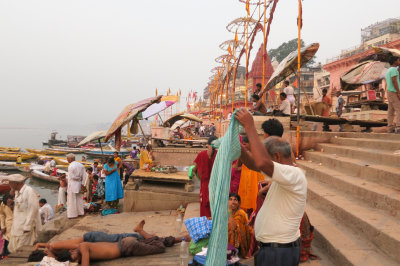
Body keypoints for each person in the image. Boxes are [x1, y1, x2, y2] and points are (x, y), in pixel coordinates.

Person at [235, 109, 307, 266]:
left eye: (267, 157)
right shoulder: (284, 176)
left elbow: (260, 163)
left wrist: (250, 127)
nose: (264, 162)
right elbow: (255, 163)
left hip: (280, 253)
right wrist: (238, 147)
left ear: (276, 157)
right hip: (272, 250)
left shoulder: (294, 174)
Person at [30, 220, 187, 265]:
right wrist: (40, 246)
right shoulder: (73, 250)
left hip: (106, 241)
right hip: (118, 243)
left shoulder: (78, 248)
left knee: (155, 244)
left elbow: (78, 249)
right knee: (153, 241)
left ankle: (141, 231)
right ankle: (182, 238)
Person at [7, 174, 41, 253]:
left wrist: (28, 226)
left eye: (10, 183)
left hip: (25, 228)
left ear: (16, 183)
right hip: (16, 228)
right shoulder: (17, 193)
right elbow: (20, 208)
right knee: (13, 249)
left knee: (22, 250)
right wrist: (12, 204)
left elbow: (33, 209)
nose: (9, 185)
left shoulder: (29, 191)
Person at [192, 136, 218, 218]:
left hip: (205, 187)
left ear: (208, 145)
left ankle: (205, 228)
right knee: (215, 210)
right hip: (216, 187)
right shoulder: (219, 155)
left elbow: (194, 169)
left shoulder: (201, 155)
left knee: (205, 211)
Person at [238, 136, 264, 212]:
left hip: (255, 180)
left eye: (245, 144)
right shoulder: (246, 154)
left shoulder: (258, 154)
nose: (244, 146)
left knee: (255, 201)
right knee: (247, 204)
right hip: (246, 182)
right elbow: (238, 166)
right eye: (243, 145)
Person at [228, 193, 253, 258]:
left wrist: (229, 210)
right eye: (230, 199)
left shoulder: (241, 213)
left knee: (232, 230)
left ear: (239, 203)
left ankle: (232, 251)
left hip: (240, 243)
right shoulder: (227, 211)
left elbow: (233, 227)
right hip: (230, 240)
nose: (232, 202)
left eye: (235, 200)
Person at [66, 154, 86, 219]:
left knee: (72, 199)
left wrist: (77, 178)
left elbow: (72, 177)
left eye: (67, 159)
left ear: (70, 159)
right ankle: (80, 212)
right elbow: (84, 176)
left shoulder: (71, 166)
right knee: (79, 199)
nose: (67, 160)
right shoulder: (81, 165)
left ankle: (72, 214)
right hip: (79, 184)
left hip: (72, 184)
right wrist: (82, 183)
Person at [385, 56, 400, 133]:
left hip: (389, 92)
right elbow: (394, 81)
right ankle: (398, 127)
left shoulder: (388, 70)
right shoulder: (394, 70)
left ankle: (390, 128)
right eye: (398, 60)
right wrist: (398, 92)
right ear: (395, 61)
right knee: (398, 109)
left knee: (390, 111)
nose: (399, 61)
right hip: (394, 92)